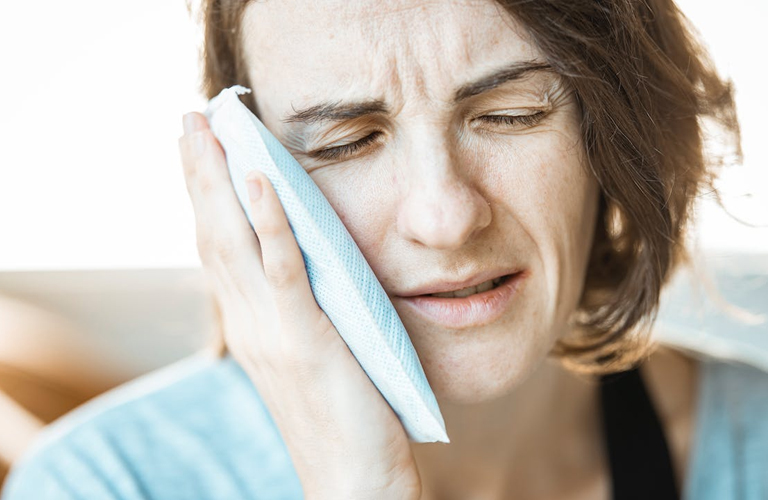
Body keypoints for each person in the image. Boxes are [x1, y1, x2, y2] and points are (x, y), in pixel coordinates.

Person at [3, 0, 766, 499]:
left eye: (510, 114)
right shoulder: (104, 486)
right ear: (247, 175)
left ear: (615, 134)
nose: (445, 217)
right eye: (348, 142)